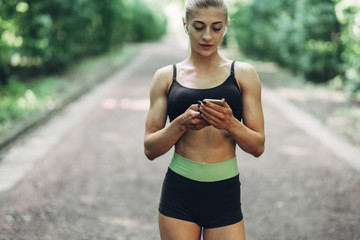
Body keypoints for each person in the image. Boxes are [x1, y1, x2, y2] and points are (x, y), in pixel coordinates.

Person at [144, 0, 265, 239]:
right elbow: (150, 148)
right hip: (179, 192)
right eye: (199, 27)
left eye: (216, 27)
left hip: (225, 193)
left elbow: (258, 146)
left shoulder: (243, 74)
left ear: (227, 25)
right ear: (185, 24)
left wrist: (230, 123)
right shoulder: (166, 77)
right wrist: (180, 124)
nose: (207, 36)